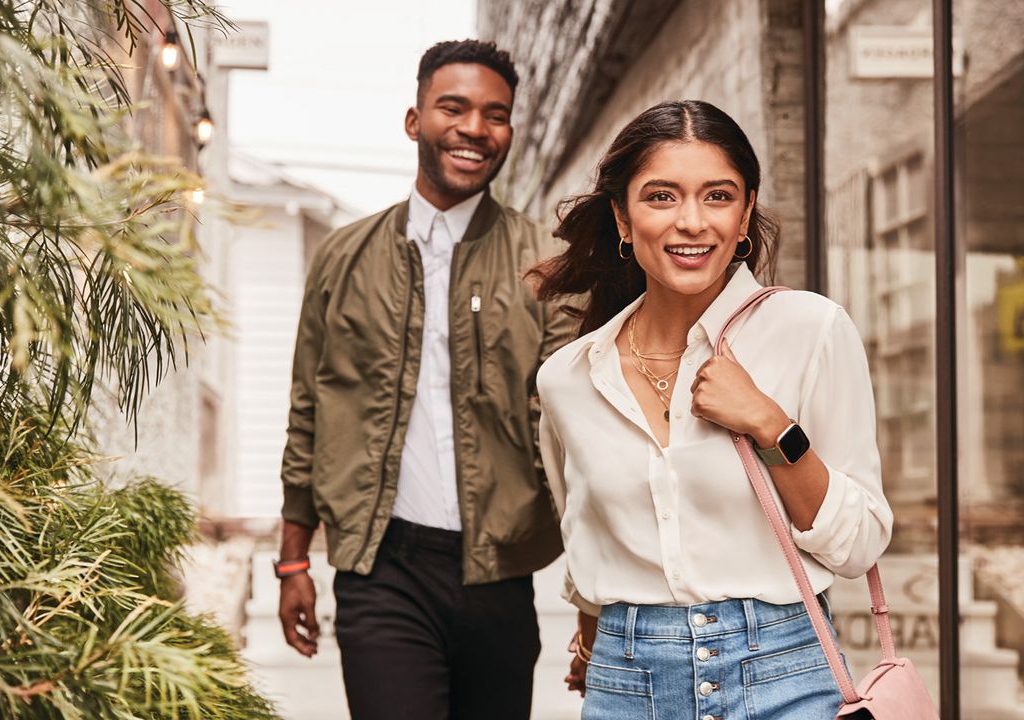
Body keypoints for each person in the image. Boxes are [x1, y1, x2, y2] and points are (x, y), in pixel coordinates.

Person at [531, 100, 894, 719]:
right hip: (626, 683)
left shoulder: (810, 329)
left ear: (746, 210)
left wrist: (772, 425)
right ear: (622, 218)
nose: (692, 222)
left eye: (718, 196)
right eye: (662, 197)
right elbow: (586, 541)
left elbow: (858, 546)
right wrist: (594, 646)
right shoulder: (568, 378)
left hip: (786, 672)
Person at [276, 39, 574, 720]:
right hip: (383, 567)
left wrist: (592, 592)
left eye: (495, 114)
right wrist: (294, 560)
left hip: (500, 573)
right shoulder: (343, 257)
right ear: (415, 120)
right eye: (454, 107)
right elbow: (307, 411)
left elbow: (568, 435)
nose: (475, 128)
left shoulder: (547, 269)